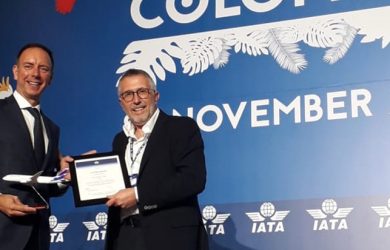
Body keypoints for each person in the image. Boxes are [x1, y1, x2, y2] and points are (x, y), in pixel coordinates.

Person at [105, 69, 209, 250]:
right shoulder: (119, 140)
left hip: (170, 238)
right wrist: (79, 171)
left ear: (156, 96)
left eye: (142, 92)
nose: (136, 100)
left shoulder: (181, 128)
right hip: (124, 237)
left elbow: (192, 180)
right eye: (128, 95)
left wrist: (138, 196)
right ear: (121, 103)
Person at [0, 43, 70, 250]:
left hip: (37, 237)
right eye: (28, 66)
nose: (35, 74)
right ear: (15, 71)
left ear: (51, 78)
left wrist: (64, 177)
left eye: (44, 69)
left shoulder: (51, 128)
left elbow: (43, 184)